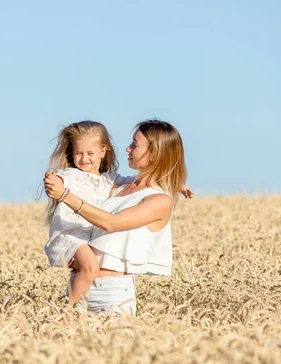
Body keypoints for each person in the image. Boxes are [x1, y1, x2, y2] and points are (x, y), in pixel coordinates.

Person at [44, 119, 189, 316]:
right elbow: (84, 182)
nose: (127, 149)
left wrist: (64, 195)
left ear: (154, 154)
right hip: (81, 287)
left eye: (135, 145)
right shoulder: (115, 186)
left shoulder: (159, 200)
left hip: (113, 294)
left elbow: (111, 223)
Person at [44, 121, 135, 306]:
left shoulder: (111, 180)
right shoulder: (71, 175)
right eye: (78, 153)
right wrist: (53, 180)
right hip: (70, 235)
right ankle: (67, 308)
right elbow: (61, 180)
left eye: (90, 153)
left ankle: (78, 305)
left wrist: (173, 182)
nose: (84, 158)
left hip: (90, 238)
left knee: (90, 267)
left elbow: (139, 182)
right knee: (91, 267)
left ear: (103, 151)